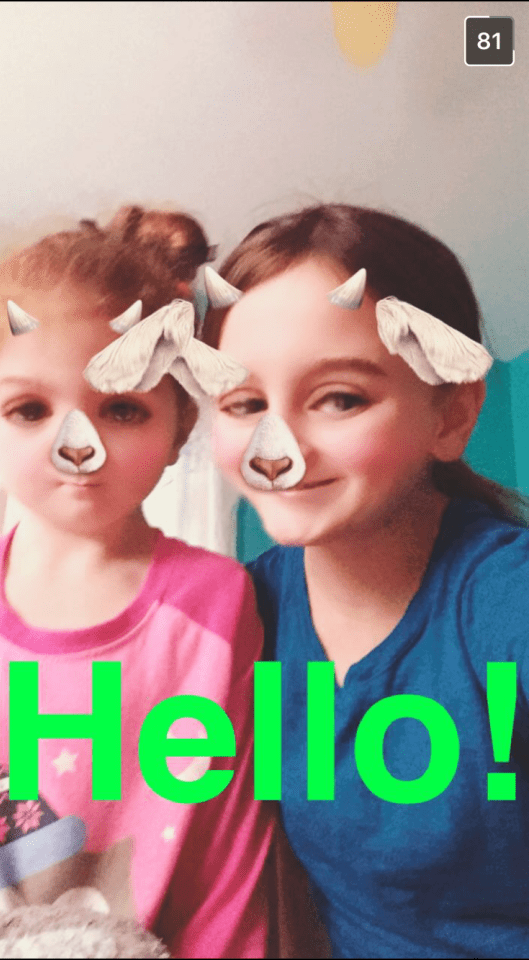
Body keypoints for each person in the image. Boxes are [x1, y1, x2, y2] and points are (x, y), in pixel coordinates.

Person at [202, 203, 529, 959]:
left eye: (340, 398)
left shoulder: (503, 597)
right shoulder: (241, 611)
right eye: (244, 404)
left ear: (452, 414)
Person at [0, 206, 273, 958]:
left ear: (179, 425)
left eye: (120, 408)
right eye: (29, 408)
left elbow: (228, 856)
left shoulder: (217, 602)